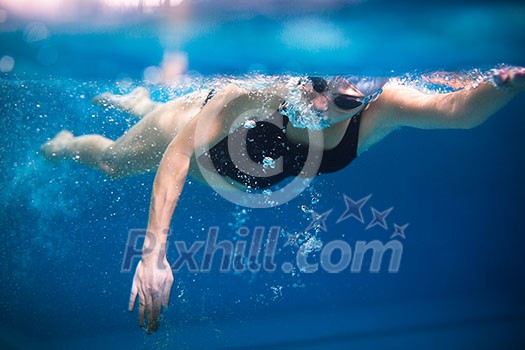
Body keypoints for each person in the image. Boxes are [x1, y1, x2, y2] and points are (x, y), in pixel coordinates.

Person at [40, 66, 525, 333]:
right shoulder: (261, 91)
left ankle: (140, 102)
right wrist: (153, 253)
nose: (318, 105)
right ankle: (67, 142)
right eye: (316, 86)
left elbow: (456, 109)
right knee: (114, 162)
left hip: (241, 172)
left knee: (147, 119)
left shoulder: (383, 108)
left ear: (365, 102)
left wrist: (507, 84)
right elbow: (179, 156)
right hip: (194, 125)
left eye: (342, 102)